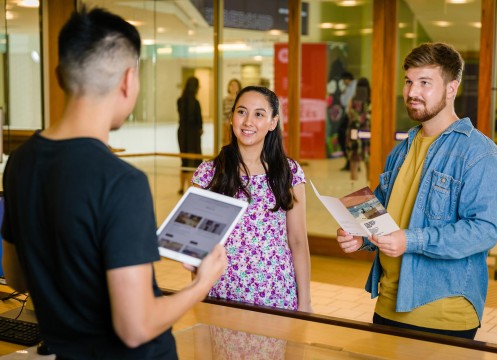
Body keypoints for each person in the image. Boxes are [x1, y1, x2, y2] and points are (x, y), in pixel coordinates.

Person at [1, 7, 227, 359]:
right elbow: (135, 328)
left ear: (60, 76)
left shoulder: (19, 163)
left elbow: (17, 277)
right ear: (127, 80)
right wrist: (203, 284)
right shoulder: (122, 182)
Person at [336, 42, 497, 339]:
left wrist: (410, 240)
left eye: (425, 83)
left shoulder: (479, 153)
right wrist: (359, 235)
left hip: (442, 314)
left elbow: (484, 230)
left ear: (451, 88)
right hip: (387, 304)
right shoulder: (401, 150)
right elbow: (380, 216)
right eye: (409, 81)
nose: (412, 92)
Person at [192, 86, 312, 312]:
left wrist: (305, 302)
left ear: (273, 122)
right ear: (231, 118)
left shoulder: (289, 172)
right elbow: (198, 244)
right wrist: (199, 296)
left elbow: (297, 241)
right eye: (241, 112)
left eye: (259, 114)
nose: (248, 121)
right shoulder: (208, 174)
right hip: (223, 292)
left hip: (277, 295)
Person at [345, 77, 371, 181]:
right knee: (368, 161)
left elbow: (349, 114)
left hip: (354, 132)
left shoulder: (353, 99)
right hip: (367, 132)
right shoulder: (371, 100)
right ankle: (371, 187)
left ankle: (354, 188)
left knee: (354, 162)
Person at [338, 71, 357, 171]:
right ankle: (351, 162)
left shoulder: (354, 87)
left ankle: (352, 163)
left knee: (348, 139)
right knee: (346, 138)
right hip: (348, 116)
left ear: (347, 79)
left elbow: (345, 101)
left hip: (351, 117)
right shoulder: (349, 88)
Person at [222, 78, 242, 146]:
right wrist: (226, 122)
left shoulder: (240, 100)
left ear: (239, 87)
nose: (233, 87)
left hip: (238, 125)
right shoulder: (224, 100)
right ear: (228, 87)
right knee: (226, 143)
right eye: (232, 85)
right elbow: (221, 113)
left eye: (236, 86)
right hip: (226, 125)